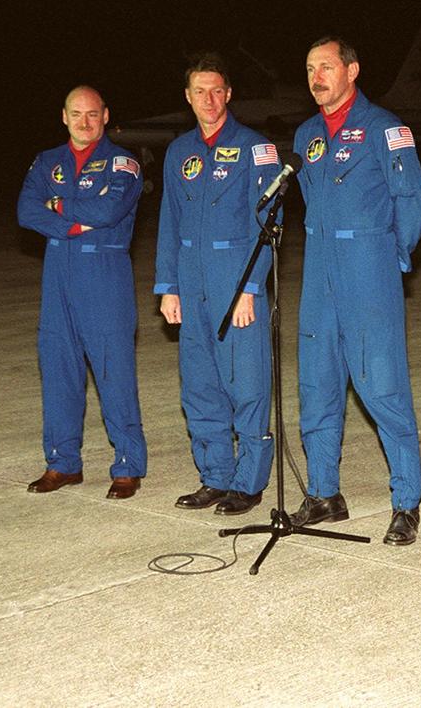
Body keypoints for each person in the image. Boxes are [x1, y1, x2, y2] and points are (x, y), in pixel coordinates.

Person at [289, 36, 421, 545]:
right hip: (319, 274)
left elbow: (411, 202)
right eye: (309, 68)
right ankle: (325, 493)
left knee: (383, 388)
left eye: (326, 66)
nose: (317, 77)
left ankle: (406, 503)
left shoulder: (384, 129)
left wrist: (388, 261)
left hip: (367, 272)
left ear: (352, 70)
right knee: (318, 386)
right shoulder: (307, 135)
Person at [155, 55, 280, 516]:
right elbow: (169, 219)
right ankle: (215, 477)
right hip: (191, 278)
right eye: (199, 92)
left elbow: (270, 220)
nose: (208, 100)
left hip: (235, 279)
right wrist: (168, 286)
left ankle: (248, 482)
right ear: (187, 97)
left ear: (228, 94)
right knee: (201, 385)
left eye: (216, 91)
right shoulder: (178, 152)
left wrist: (250, 286)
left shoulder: (255, 148)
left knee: (246, 384)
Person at [18, 86, 148, 499]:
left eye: (93, 114)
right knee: (58, 370)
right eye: (77, 114)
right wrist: (72, 221)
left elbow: (109, 212)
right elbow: (25, 211)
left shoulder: (123, 162)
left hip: (104, 272)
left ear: (106, 116)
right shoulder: (46, 161)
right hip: (58, 273)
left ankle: (127, 465)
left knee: (114, 372)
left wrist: (56, 206)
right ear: (64, 116)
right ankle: (62, 463)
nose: (84, 122)